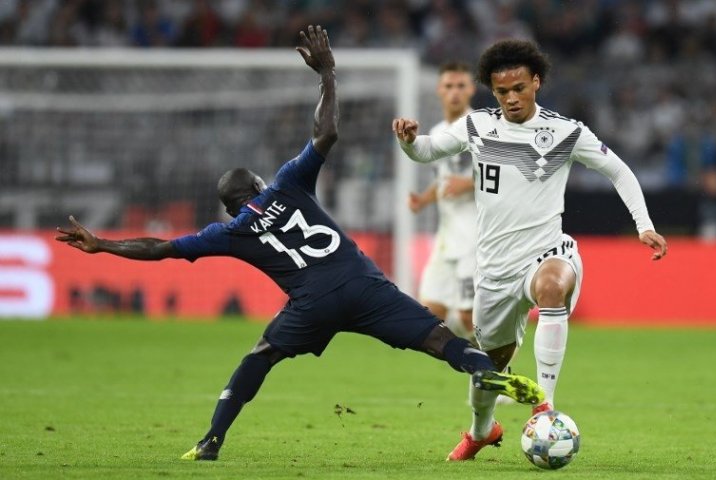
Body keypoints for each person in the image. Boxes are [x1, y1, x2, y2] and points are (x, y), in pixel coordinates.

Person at [56, 26, 544, 462]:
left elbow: (159, 248)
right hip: (362, 283)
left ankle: (211, 441)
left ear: (230, 206)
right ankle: (482, 371)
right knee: (442, 340)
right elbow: (327, 131)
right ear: (261, 182)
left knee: (260, 356)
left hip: (311, 304)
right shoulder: (288, 184)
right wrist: (327, 72)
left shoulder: (228, 231)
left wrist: (101, 245)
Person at [393, 39, 668, 461]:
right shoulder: (477, 126)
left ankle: (545, 409)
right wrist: (410, 141)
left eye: (519, 88)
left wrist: (644, 225)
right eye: (502, 92)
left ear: (536, 82)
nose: (511, 98)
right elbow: (427, 150)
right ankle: (481, 431)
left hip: (546, 251)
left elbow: (617, 169)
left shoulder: (565, 131)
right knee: (488, 369)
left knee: (553, 289)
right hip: (494, 270)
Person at [408, 61, 477, 339]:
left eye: (461, 86)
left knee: (467, 318)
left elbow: (507, 174)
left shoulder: (481, 129)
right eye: (449, 86)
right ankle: (474, 360)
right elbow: (445, 180)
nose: (455, 92)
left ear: (472, 89)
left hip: (475, 236)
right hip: (447, 235)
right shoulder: (437, 133)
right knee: (430, 311)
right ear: (439, 89)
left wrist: (470, 183)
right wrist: (424, 200)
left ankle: (496, 361)